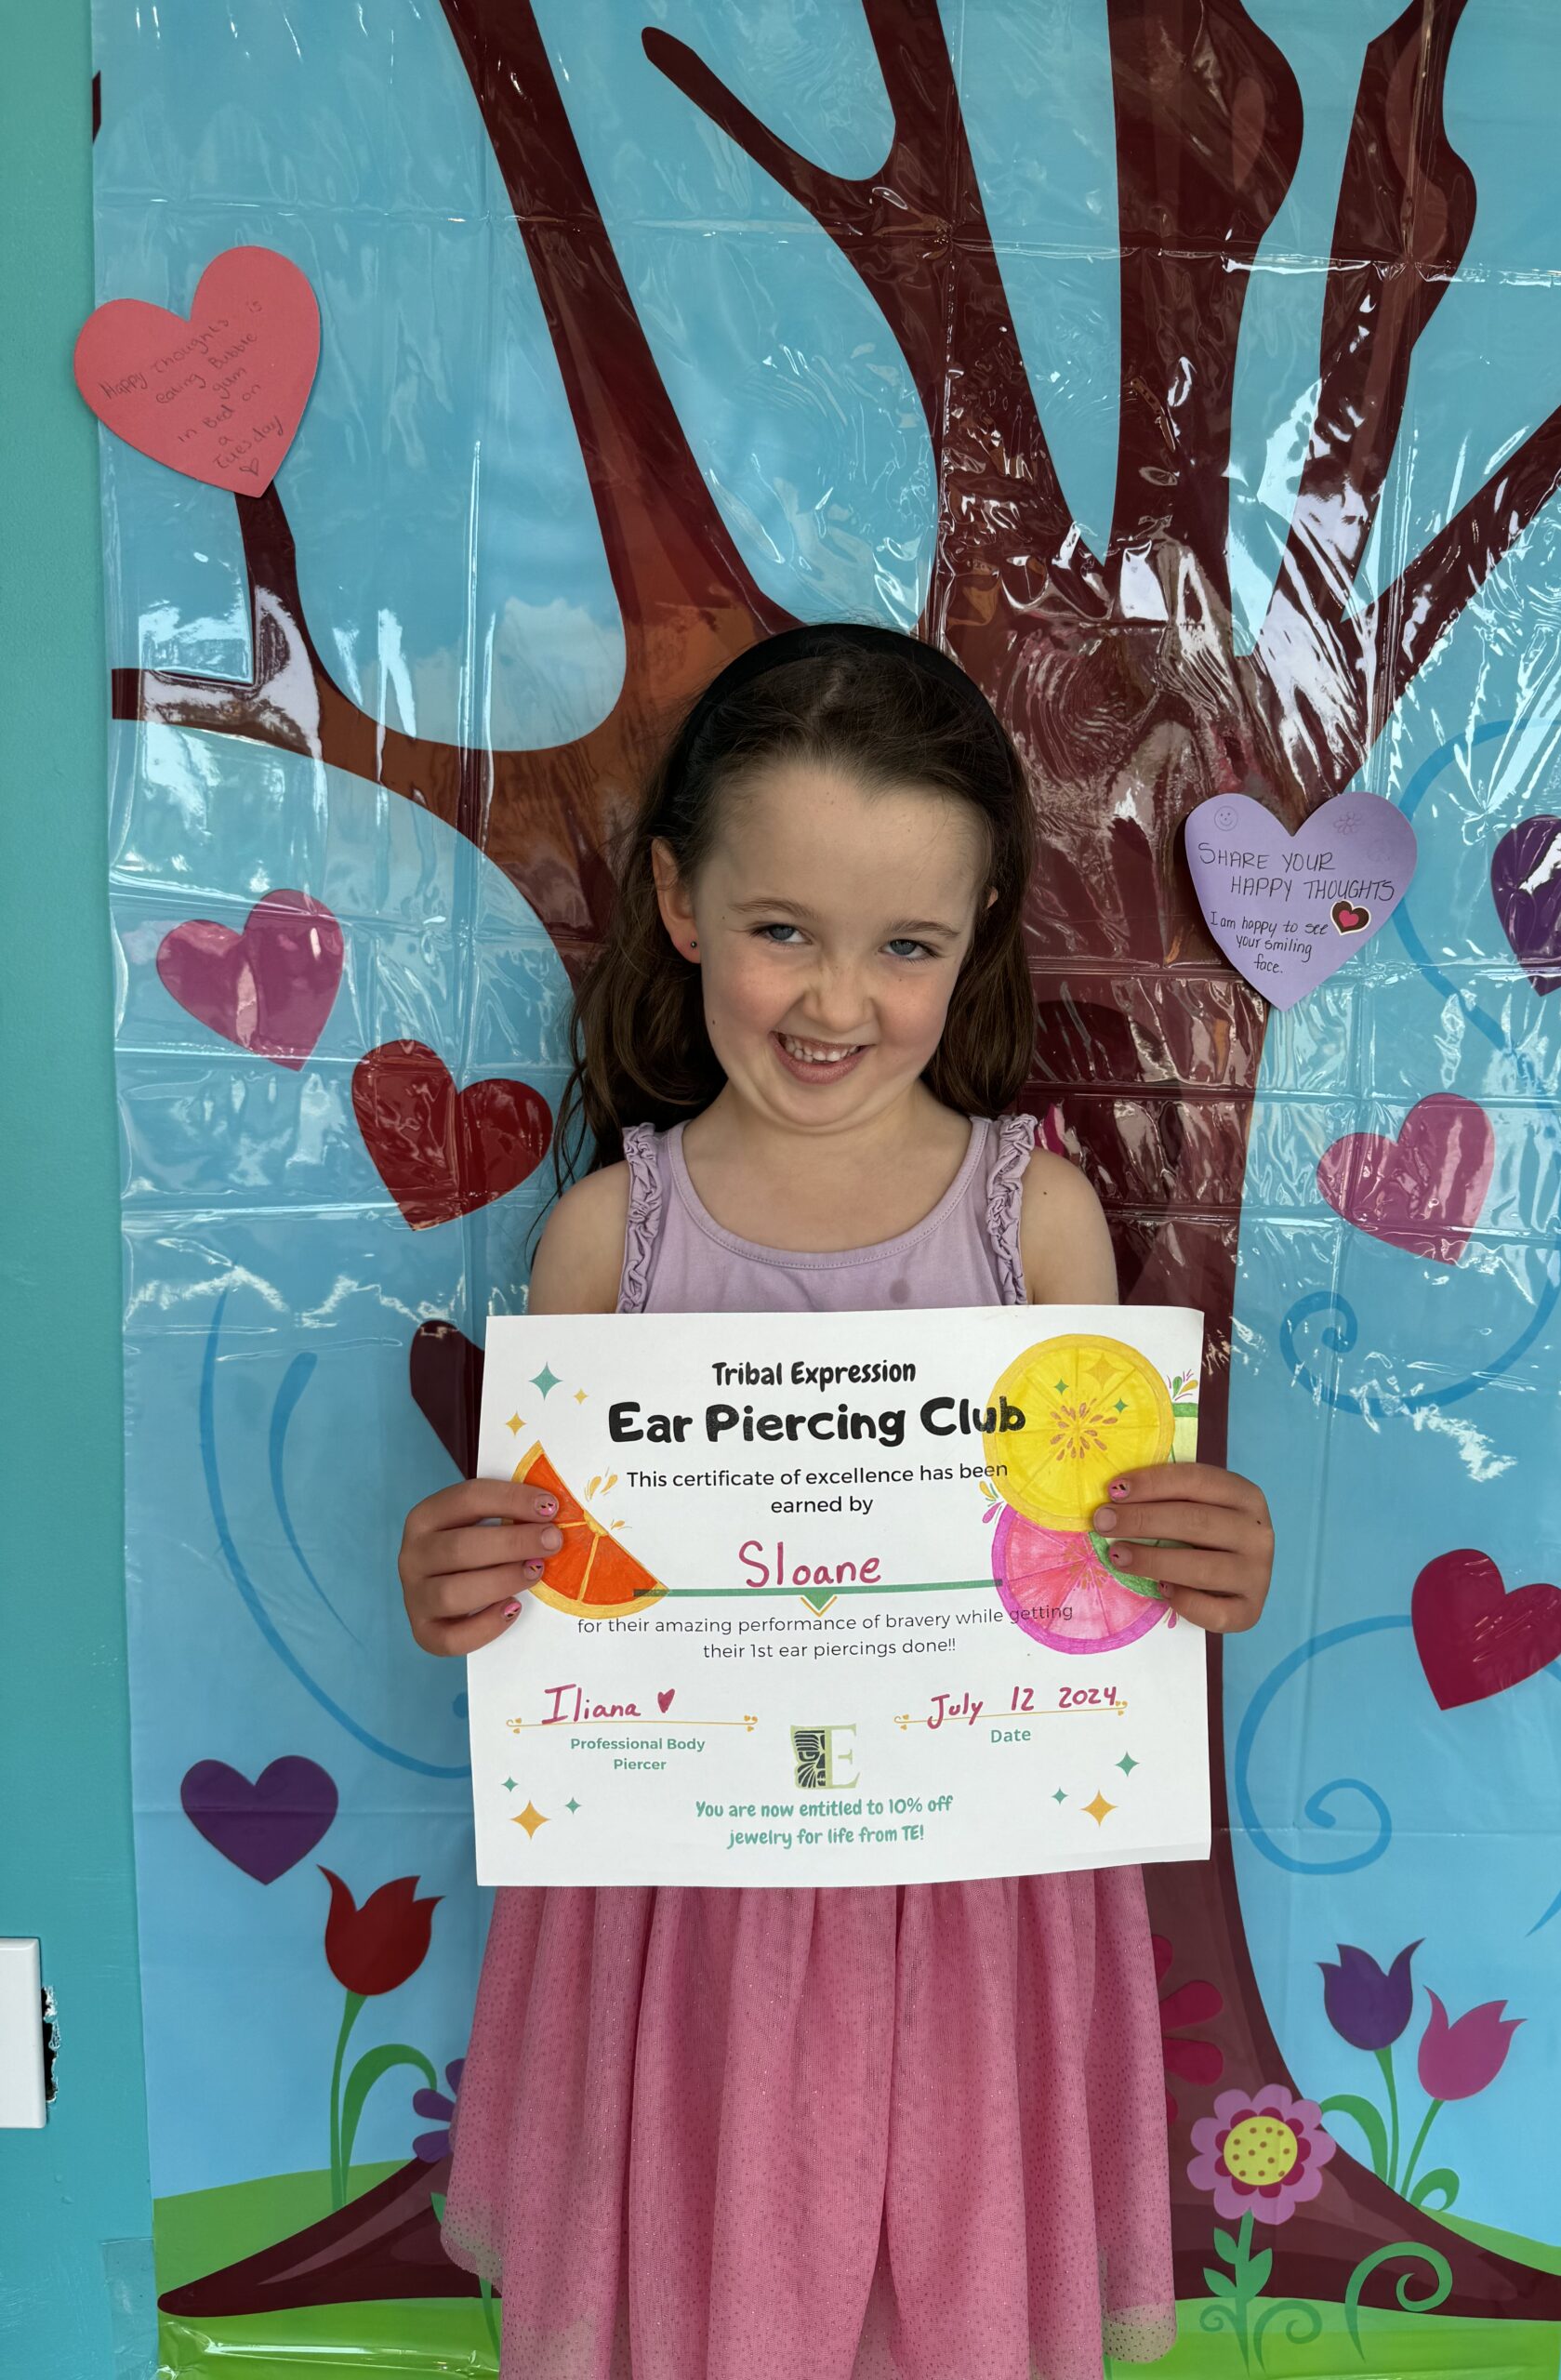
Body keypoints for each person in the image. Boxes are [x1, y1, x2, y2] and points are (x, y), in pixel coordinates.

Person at [397, 622, 1276, 2380]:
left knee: (959, 2314)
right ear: (678, 903)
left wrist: (1199, 1561)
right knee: (690, 2306)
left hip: (977, 1917)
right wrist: (461, 1582)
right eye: (782, 927)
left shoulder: (1038, 1223)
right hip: (685, 1932)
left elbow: (1088, 1583)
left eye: (904, 946)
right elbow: (547, 1624)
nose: (830, 999)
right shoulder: (603, 1242)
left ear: (972, 952)